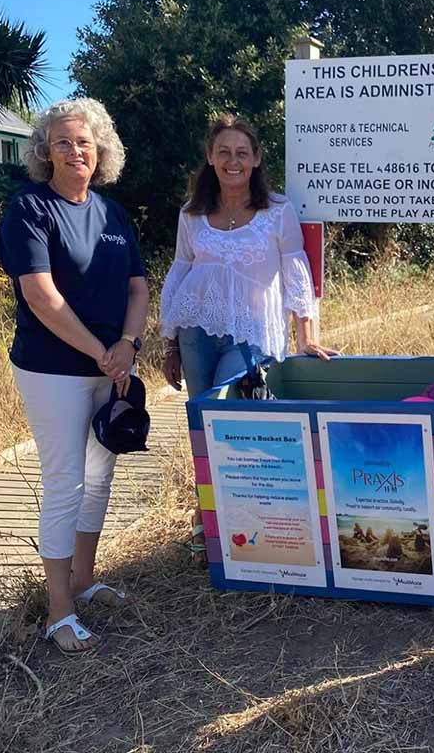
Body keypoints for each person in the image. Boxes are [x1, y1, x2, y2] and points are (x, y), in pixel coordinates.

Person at [0, 98, 147, 653]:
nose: (74, 150)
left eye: (83, 141)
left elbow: (138, 287)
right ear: (44, 151)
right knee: (66, 482)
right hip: (53, 368)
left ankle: (84, 582)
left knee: (100, 476)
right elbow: (39, 295)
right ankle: (59, 611)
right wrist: (100, 352)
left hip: (113, 364)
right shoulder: (29, 208)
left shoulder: (112, 214)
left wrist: (127, 345)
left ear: (100, 150)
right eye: (62, 141)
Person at [158, 114, 336, 561]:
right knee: (204, 426)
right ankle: (208, 521)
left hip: (253, 336)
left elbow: (297, 272)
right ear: (210, 158)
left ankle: (254, 521)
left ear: (256, 159)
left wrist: (306, 335)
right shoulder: (192, 214)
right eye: (224, 152)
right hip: (198, 331)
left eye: (242, 153)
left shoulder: (276, 211)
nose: (232, 161)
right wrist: (170, 341)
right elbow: (181, 273)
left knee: (239, 423)